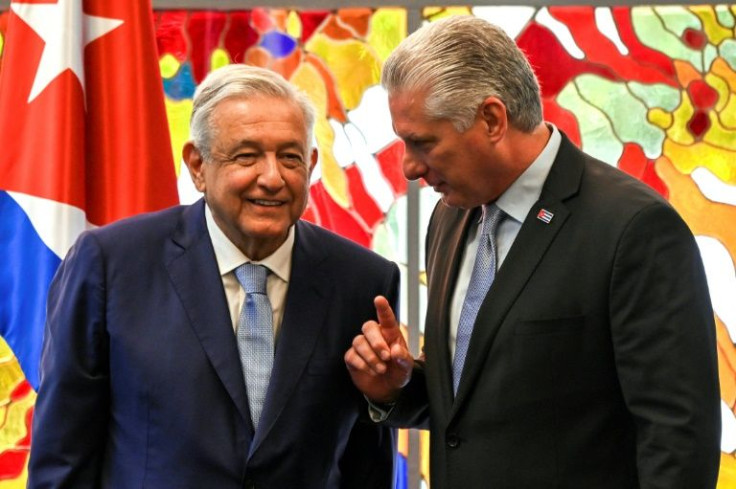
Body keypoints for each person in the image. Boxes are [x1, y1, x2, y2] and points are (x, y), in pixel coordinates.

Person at [345, 15, 720, 489]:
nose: (409, 167)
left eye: (423, 143)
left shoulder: (633, 229)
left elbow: (678, 439)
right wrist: (398, 387)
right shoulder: (449, 218)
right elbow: (474, 409)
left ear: (492, 119)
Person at [28, 64, 400, 489]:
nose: (273, 177)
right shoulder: (111, 265)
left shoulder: (362, 280)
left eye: (290, 157)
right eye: (247, 156)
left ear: (313, 165)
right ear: (197, 165)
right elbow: (63, 456)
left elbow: (368, 465)